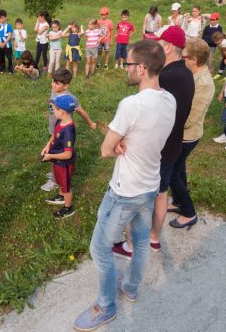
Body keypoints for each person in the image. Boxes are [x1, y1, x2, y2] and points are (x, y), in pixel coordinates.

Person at [73, 40, 176, 331]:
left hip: (125, 190)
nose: (126, 68)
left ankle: (106, 307)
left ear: (142, 68)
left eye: (129, 64)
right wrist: (123, 142)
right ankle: (130, 286)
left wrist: (116, 143)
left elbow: (106, 150)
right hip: (150, 184)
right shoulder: (169, 99)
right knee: (141, 239)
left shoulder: (131, 104)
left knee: (99, 248)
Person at [148, 25, 194, 252]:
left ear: (167, 47)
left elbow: (152, 114)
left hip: (160, 148)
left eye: (158, 43)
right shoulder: (185, 72)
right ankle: (154, 237)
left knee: (152, 194)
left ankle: (146, 236)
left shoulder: (167, 76)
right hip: (173, 143)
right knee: (162, 191)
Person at [167, 38, 215, 228]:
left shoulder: (203, 84)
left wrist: (166, 121)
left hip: (186, 137)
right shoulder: (192, 75)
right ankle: (179, 203)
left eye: (184, 56)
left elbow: (190, 119)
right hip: (181, 134)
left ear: (194, 60)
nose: (182, 59)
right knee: (179, 170)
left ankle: (189, 212)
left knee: (171, 174)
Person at [41, 68, 96, 191]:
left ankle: (55, 180)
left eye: (57, 83)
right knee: (52, 150)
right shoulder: (54, 91)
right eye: (53, 81)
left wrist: (91, 123)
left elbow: (81, 112)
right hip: (54, 129)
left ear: (66, 86)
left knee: (57, 154)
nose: (53, 85)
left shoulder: (70, 98)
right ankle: (54, 172)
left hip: (63, 132)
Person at [42, 95, 78, 219]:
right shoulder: (60, 121)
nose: (52, 111)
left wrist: (50, 155)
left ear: (61, 112)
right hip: (57, 160)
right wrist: (48, 146)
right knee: (60, 181)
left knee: (66, 186)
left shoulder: (68, 131)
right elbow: (54, 136)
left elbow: (67, 154)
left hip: (65, 164)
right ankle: (61, 195)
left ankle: (68, 208)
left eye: (54, 109)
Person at [0, 9, 14, 74]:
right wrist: (0, 43)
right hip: (0, 45)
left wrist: (4, 43)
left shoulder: (8, 26)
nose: (0, 19)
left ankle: (10, 69)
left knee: (9, 57)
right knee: (1, 57)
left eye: (2, 18)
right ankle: (2, 68)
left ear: (5, 18)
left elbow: (9, 35)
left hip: (7, 45)